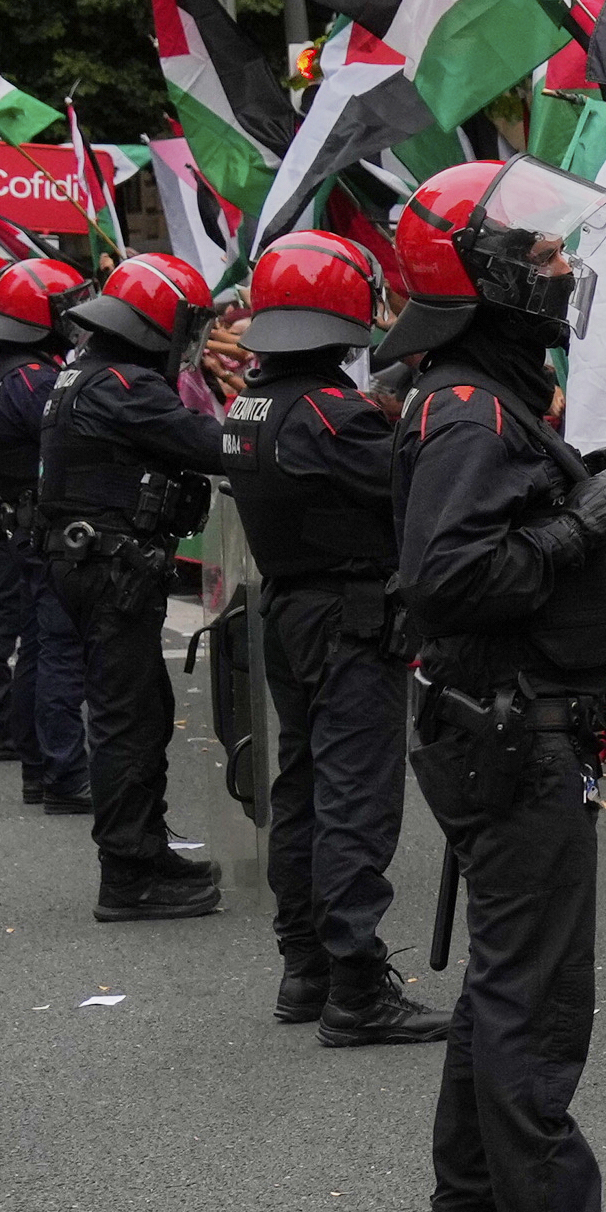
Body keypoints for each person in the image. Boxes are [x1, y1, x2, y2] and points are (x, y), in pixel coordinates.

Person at [386, 157, 606, 1212]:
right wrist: (582, 523)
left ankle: (470, 1210)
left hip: (502, 725)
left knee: (505, 980)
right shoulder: (471, 406)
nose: (562, 268)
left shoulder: (476, 391)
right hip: (514, 728)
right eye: (542, 254)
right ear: (479, 277)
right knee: (537, 993)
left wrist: (579, 495)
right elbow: (449, 578)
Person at [223, 231, 446, 1044]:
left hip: (289, 610)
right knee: (355, 796)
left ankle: (306, 967)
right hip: (348, 616)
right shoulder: (329, 413)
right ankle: (356, 984)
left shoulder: (254, 404)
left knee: (306, 787)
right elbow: (417, 481)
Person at [35, 254, 237, 923]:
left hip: (95, 562)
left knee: (141, 709)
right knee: (128, 719)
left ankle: (144, 848)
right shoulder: (124, 384)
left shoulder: (88, 371)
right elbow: (211, 444)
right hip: (111, 568)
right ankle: (127, 871)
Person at [0, 259, 96, 811]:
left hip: (19, 522)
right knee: (59, 653)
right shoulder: (33, 379)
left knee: (39, 649)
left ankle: (39, 765)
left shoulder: (2, 371)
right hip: (42, 527)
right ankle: (65, 772)